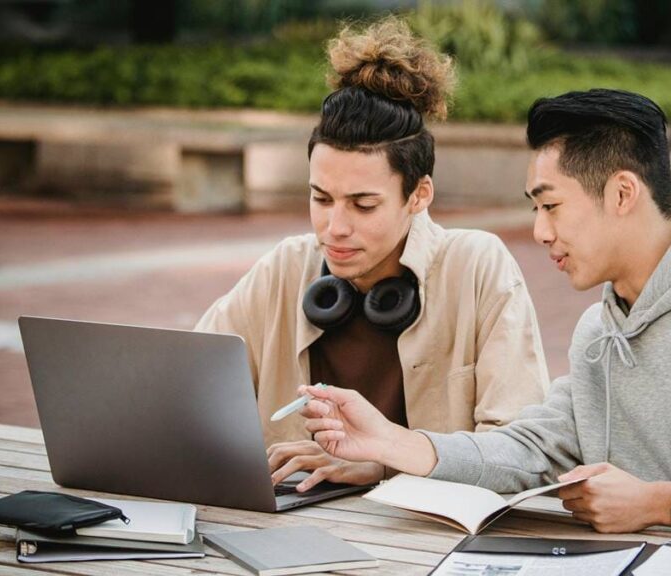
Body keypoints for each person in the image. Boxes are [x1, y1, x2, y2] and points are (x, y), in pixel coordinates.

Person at [297, 89, 671, 535]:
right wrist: (392, 443)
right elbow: (530, 450)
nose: (539, 230)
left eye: (551, 205)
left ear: (622, 194)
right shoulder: (601, 329)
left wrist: (665, 501)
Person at [194, 17, 549, 492]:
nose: (334, 228)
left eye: (363, 205)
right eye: (321, 199)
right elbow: (186, 388)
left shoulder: (478, 266)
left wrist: (385, 464)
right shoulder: (285, 267)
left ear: (419, 195)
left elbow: (523, 457)